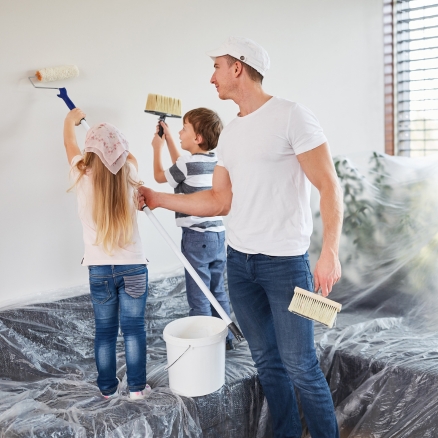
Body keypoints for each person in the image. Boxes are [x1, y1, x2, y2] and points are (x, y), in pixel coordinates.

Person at [139, 36, 343, 437]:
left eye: (216, 66)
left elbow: (329, 186)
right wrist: (157, 198)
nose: (210, 76)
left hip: (286, 265)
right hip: (240, 262)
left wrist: (329, 251)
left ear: (238, 67)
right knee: (266, 362)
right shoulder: (231, 134)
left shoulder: (292, 116)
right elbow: (218, 201)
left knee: (300, 365)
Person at [64, 109, 151, 400]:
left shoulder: (80, 175)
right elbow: (129, 157)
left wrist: (69, 121)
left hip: (99, 269)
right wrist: (115, 143)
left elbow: (70, 146)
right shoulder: (131, 175)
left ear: (89, 156)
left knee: (105, 331)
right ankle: (137, 389)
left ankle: (107, 389)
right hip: (134, 268)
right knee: (134, 329)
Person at [150, 108, 234, 349]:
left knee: (199, 296)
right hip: (218, 236)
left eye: (184, 128)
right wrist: (168, 142)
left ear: (197, 138)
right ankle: (226, 339)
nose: (179, 131)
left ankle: (206, 345)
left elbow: (159, 176)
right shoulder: (215, 162)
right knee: (217, 292)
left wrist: (157, 147)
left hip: (196, 239)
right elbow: (182, 168)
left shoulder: (186, 164)